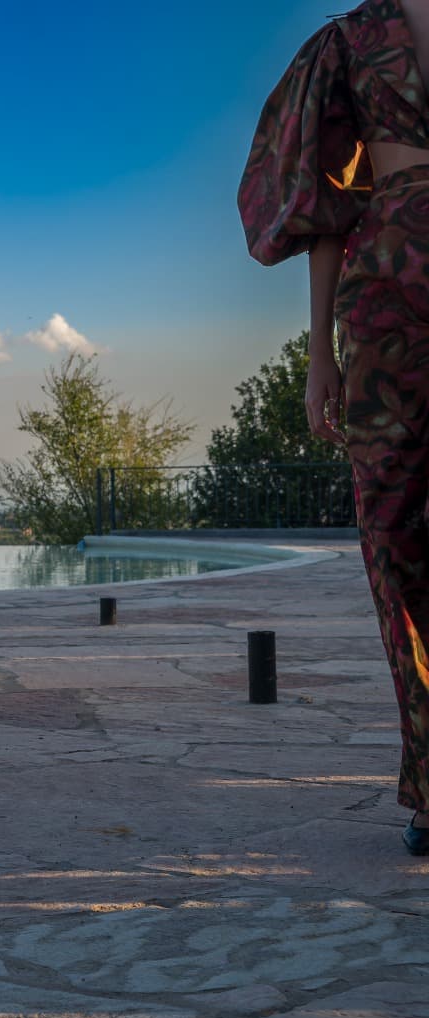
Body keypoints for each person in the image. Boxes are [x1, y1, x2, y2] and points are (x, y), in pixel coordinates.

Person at [239, 0, 429, 855]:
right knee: (391, 532)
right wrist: (318, 347)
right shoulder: (352, 39)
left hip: (390, 281)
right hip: (388, 292)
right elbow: (326, 206)